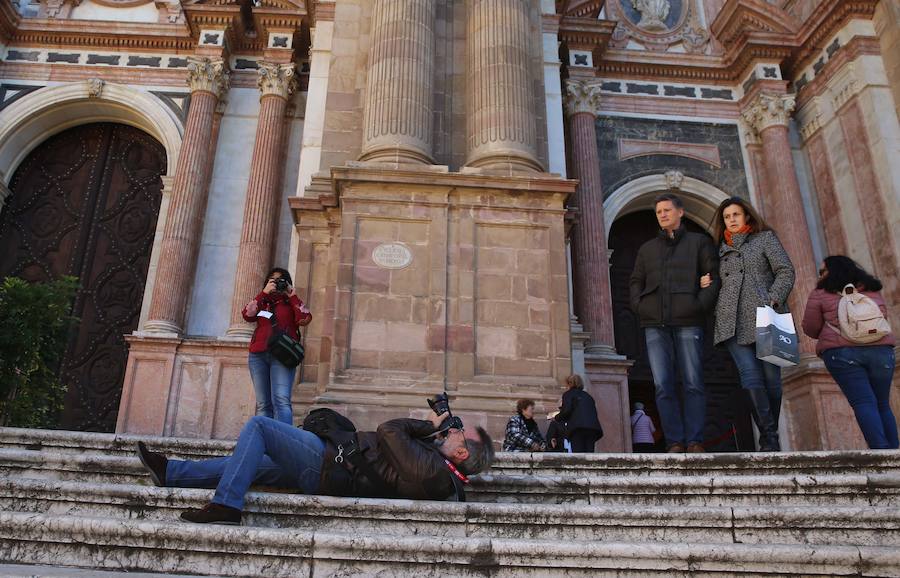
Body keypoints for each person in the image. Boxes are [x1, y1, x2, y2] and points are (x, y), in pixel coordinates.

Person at [136, 410, 495, 525]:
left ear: (461, 455)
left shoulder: (434, 472)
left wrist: (430, 424)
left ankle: (227, 505)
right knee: (258, 466)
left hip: (328, 466)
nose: (453, 432)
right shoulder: (435, 467)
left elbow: (388, 430)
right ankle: (173, 473)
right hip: (333, 464)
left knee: (259, 427)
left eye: (458, 435)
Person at [629, 193, 719, 453]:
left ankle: (695, 440)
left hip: (689, 321)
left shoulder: (699, 242)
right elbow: (636, 281)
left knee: (693, 382)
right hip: (654, 323)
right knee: (662, 385)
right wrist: (639, 305)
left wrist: (698, 306)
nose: (663, 215)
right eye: (659, 212)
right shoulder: (647, 250)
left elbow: (712, 276)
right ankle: (675, 442)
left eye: (667, 210)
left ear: (680, 212)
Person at [704, 197, 794, 452]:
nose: (731, 220)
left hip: (766, 316)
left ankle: (770, 431)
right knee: (750, 376)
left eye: (736, 215)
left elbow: (785, 270)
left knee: (772, 381)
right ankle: (769, 437)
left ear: (747, 217)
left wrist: (773, 299)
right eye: (727, 217)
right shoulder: (717, 250)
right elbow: (715, 282)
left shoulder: (765, 239)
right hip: (731, 320)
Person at [801, 256, 898, 449]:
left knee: (864, 402)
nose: (820, 275)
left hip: (843, 354)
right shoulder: (872, 290)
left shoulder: (819, 293)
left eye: (823, 271)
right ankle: (895, 452)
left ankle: (881, 452)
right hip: (880, 351)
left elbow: (810, 328)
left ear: (831, 271)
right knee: (882, 404)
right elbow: (881, 318)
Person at [241, 267, 312, 425]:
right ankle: (266, 441)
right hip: (258, 355)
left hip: (282, 355)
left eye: (281, 280)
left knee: (281, 400)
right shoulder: (262, 302)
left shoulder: (291, 303)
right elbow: (247, 314)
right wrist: (264, 293)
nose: (276, 284)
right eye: (272, 280)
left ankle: (283, 442)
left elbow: (305, 318)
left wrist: (292, 296)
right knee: (263, 404)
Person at [555, 374, 603, 453]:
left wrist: (557, 417)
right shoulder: (588, 396)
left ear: (569, 384)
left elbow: (566, 410)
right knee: (589, 456)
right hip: (592, 429)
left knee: (579, 455)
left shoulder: (568, 394)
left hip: (577, 429)